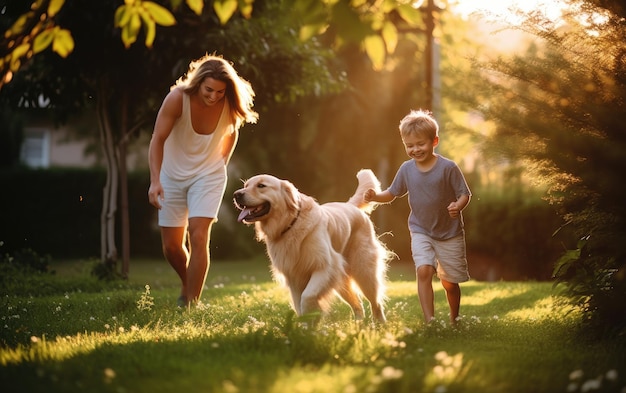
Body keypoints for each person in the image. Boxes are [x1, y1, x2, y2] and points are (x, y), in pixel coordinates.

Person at [148, 54, 258, 307]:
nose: (214, 96)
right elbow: (157, 139)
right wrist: (155, 181)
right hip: (171, 176)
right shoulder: (177, 99)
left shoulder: (229, 104)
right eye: (209, 89)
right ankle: (188, 284)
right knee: (172, 248)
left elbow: (232, 134)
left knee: (198, 237)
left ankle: (191, 303)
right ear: (198, 83)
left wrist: (220, 164)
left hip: (208, 175)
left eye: (220, 91)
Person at [364, 109, 471, 325]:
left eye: (420, 144)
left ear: (434, 141)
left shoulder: (448, 168)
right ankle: (430, 321)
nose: (415, 149)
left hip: (449, 233)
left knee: (450, 282)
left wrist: (458, 206)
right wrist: (375, 196)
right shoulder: (406, 169)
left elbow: (465, 194)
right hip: (420, 229)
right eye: (409, 145)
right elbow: (392, 193)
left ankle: (455, 319)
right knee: (424, 270)